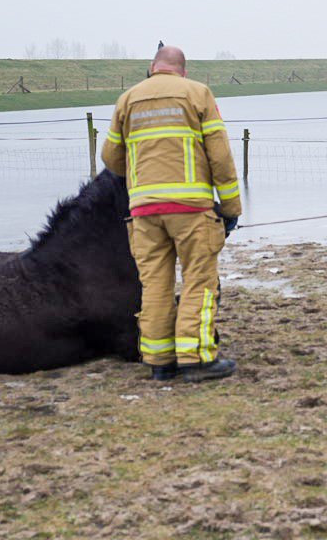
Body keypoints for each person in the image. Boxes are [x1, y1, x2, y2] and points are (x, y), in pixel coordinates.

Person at [101, 45, 241, 382]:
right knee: (199, 281)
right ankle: (196, 359)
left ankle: (159, 360)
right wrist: (231, 206)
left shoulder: (128, 99)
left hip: (145, 211)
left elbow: (110, 157)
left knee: (155, 286)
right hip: (192, 209)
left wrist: (140, 179)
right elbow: (220, 156)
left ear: (152, 68)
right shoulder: (198, 94)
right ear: (183, 70)